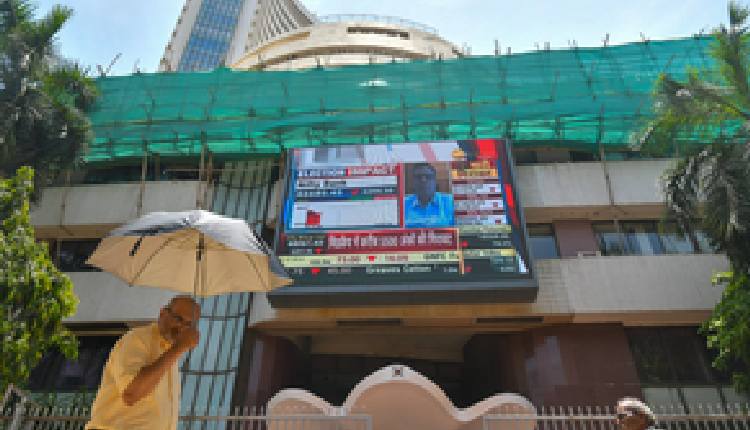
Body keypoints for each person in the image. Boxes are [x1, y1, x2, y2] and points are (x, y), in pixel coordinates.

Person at [85, 296, 201, 430]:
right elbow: (131, 393)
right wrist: (179, 348)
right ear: (163, 313)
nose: (182, 327)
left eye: (189, 324)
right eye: (178, 319)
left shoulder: (170, 354)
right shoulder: (137, 338)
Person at [404, 163, 454, 227]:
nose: (423, 180)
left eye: (428, 177)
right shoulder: (403, 204)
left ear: (435, 181)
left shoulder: (450, 202)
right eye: (419, 177)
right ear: (413, 182)